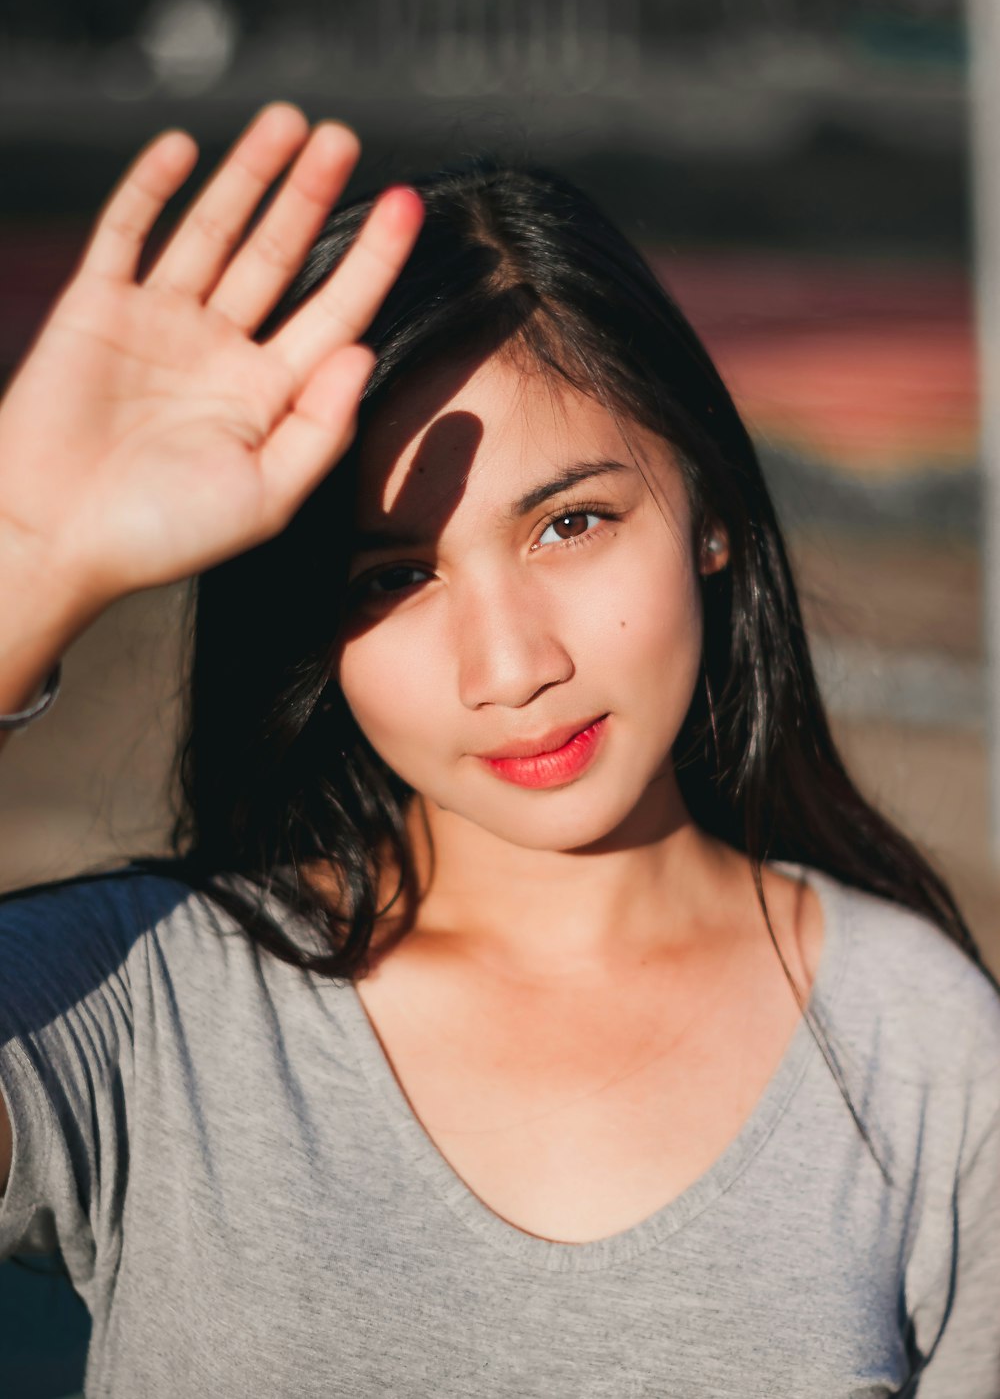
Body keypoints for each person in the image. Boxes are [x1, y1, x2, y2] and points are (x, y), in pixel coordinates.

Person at [0, 101, 997, 1397]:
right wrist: (21, 568)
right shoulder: (137, 1009)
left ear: (706, 510)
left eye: (571, 523)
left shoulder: (920, 1047)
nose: (512, 665)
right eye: (394, 576)